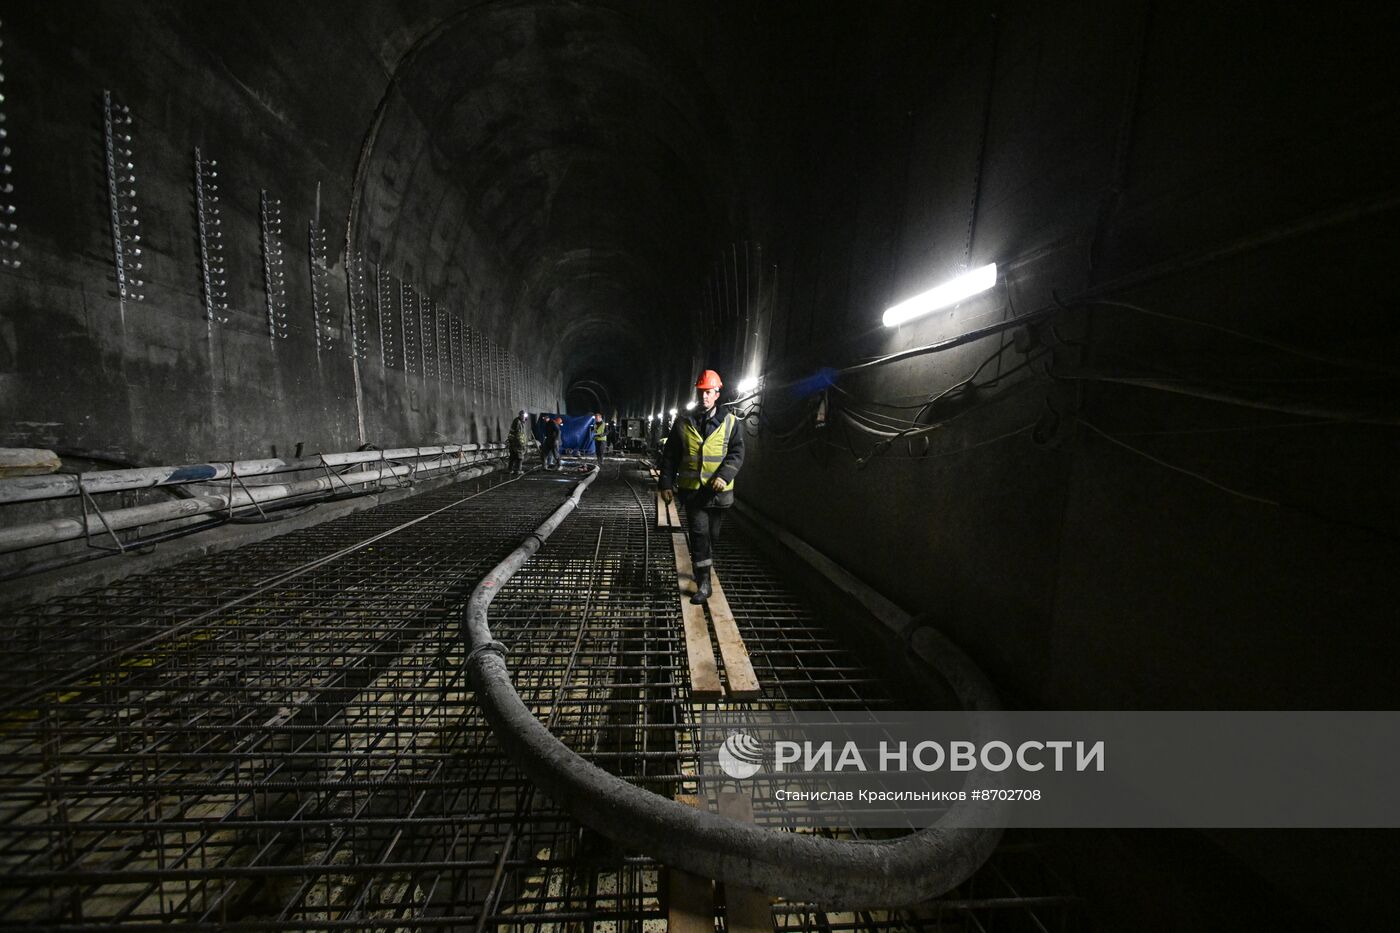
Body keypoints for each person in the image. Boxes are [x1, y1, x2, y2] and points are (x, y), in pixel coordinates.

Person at [659, 369, 744, 604]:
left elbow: (737, 453)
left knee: (712, 536)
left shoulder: (730, 422)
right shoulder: (683, 422)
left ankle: (705, 566)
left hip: (718, 494)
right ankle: (704, 582)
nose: (704, 396)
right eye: (701, 392)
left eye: (708, 392)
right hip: (694, 492)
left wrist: (724, 476)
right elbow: (670, 455)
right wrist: (665, 483)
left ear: (717, 393)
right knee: (699, 534)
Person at [507, 409, 530, 475]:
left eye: (525, 416)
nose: (524, 417)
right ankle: (518, 470)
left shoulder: (519, 421)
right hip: (517, 443)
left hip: (514, 442)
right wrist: (522, 443)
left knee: (513, 456)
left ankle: (510, 469)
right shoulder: (518, 422)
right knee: (519, 457)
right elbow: (518, 434)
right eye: (523, 416)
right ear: (520, 415)